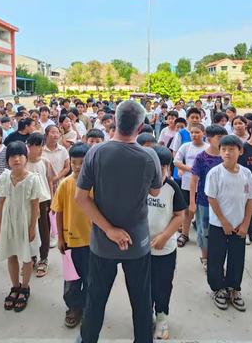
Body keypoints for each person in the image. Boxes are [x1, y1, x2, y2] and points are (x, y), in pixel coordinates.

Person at [75, 100, 162, 343]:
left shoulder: (95, 152)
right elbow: (155, 192)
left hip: (102, 242)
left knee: (95, 299)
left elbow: (81, 198)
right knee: (142, 300)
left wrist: (109, 229)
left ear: (114, 122)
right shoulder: (149, 156)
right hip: (137, 242)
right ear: (141, 126)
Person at [205, 135, 252, 311]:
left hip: (239, 225)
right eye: (224, 149)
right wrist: (223, 222)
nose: (227, 153)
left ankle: (233, 288)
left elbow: (250, 200)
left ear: (240, 151)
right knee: (216, 258)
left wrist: (245, 225)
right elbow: (212, 199)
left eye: (232, 149)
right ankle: (218, 288)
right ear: (220, 152)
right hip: (218, 225)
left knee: (237, 258)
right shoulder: (215, 173)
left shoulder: (246, 173)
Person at [0, 142, 49, 312]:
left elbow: (35, 207)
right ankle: (15, 286)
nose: (16, 159)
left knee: (26, 257)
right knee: (11, 254)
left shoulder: (33, 179)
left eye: (20, 155)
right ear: (8, 159)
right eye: (12, 156)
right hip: (9, 222)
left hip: (25, 222)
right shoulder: (4, 177)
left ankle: (25, 287)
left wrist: (32, 228)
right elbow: (1, 202)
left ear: (26, 158)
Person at [52, 143, 91, 328]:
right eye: (74, 163)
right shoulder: (65, 184)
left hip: (92, 243)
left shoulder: (95, 184)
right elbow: (58, 212)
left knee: (91, 279)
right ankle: (73, 308)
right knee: (71, 280)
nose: (77, 167)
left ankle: (89, 307)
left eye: (82, 163)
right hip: (70, 241)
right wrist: (60, 237)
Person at [148, 146, 186, 339]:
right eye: (155, 167)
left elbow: (180, 215)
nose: (160, 172)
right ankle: (145, 316)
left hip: (165, 249)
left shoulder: (172, 187)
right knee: (142, 286)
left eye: (164, 168)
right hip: (141, 249)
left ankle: (162, 316)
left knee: (162, 285)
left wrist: (164, 236)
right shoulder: (138, 184)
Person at [173, 124, 207, 247]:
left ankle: (203, 236)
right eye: (192, 133)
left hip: (204, 185)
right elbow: (176, 161)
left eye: (197, 132)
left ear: (203, 133)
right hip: (187, 184)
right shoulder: (186, 146)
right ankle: (185, 234)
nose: (194, 135)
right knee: (187, 211)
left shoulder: (208, 148)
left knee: (202, 211)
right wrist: (191, 169)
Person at [27, 132, 55, 278]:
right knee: (29, 230)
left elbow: (50, 181)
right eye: (32, 145)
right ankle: (31, 257)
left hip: (43, 200)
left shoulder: (45, 162)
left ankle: (43, 258)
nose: (36, 148)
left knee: (44, 230)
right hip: (27, 201)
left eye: (39, 145)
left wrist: (52, 199)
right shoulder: (24, 162)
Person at [43, 125, 70, 194]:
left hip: (59, 183)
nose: (56, 135)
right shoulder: (41, 150)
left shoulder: (63, 150)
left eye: (57, 133)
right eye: (53, 132)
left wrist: (56, 178)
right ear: (46, 134)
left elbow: (67, 167)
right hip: (44, 184)